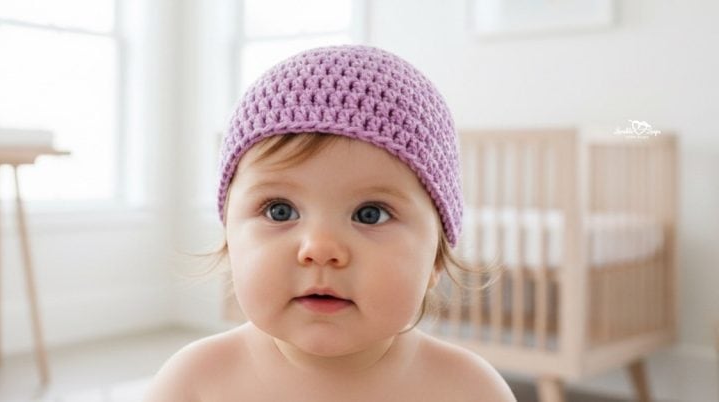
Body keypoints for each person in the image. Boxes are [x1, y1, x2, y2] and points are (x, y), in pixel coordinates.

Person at [144, 45, 515, 401]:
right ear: (229, 238)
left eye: (371, 214)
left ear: (435, 257)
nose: (320, 248)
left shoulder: (470, 391)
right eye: (279, 210)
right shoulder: (194, 384)